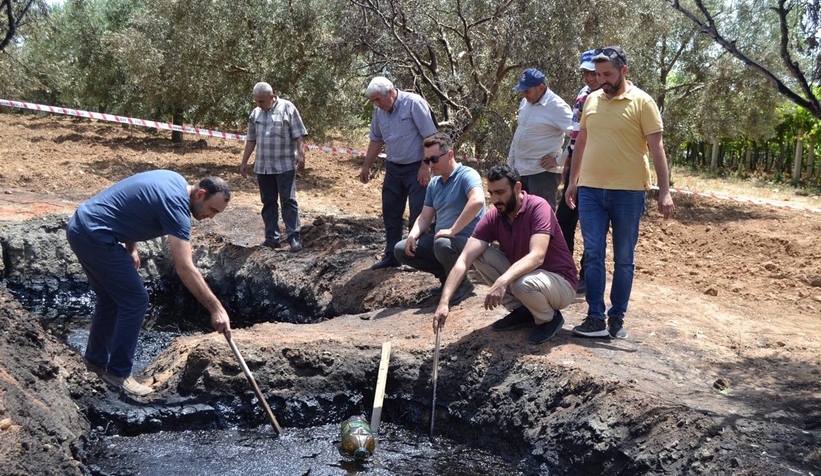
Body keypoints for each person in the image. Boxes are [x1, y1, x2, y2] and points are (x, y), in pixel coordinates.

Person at [66, 170, 233, 396]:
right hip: (96, 236)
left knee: (110, 299)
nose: (211, 217)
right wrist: (216, 309)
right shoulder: (177, 208)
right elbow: (184, 267)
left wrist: (131, 248)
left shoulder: (173, 179)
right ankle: (118, 373)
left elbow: (132, 208)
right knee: (136, 300)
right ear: (200, 194)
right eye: (212, 210)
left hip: (80, 227)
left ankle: (95, 363)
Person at [564, 46, 675, 339]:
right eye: (598, 74)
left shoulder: (643, 102)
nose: (601, 80)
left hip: (628, 193)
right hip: (590, 191)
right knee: (593, 254)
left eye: (607, 74)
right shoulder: (591, 101)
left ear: (624, 71)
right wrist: (573, 181)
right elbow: (582, 143)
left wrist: (664, 192)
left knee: (624, 257)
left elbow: (657, 148)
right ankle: (595, 318)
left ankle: (617, 317)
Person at [433, 165, 578, 345]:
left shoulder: (538, 207)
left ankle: (549, 319)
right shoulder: (494, 216)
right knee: (479, 254)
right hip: (527, 278)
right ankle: (523, 311)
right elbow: (464, 260)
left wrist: (502, 281)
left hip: (560, 283)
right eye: (491, 193)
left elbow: (537, 256)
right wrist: (444, 303)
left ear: (517, 187)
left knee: (521, 284)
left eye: (500, 192)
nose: (495, 199)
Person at [394, 132, 485, 305]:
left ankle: (462, 285)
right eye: (427, 161)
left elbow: (478, 200)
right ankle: (447, 279)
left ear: (450, 154)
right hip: (443, 241)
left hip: (468, 240)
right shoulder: (435, 183)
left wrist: (452, 231)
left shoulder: (467, 174)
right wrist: (412, 235)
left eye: (434, 159)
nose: (430, 165)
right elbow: (425, 216)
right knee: (400, 249)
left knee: (442, 243)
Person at [360, 76, 438, 270]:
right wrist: (366, 165)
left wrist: (425, 166)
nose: (377, 105)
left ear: (391, 92)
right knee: (391, 212)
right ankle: (392, 255)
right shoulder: (379, 112)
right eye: (373, 101)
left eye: (378, 99)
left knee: (418, 213)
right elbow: (376, 140)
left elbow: (430, 137)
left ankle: (416, 256)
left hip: (416, 167)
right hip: (394, 167)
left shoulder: (413, 103)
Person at [240, 82, 308, 252]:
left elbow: (299, 134)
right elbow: (251, 139)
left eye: (262, 101)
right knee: (268, 202)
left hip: (285, 165)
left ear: (272, 96)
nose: (259, 105)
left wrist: (301, 154)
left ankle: (294, 237)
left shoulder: (288, 108)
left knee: (288, 201)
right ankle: (272, 238)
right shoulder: (255, 114)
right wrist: (244, 162)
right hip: (263, 167)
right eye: (256, 101)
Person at [555, 49, 601, 295]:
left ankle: (587, 275)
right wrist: (569, 162)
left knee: (593, 225)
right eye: (585, 73)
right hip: (577, 164)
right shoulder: (583, 96)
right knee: (564, 219)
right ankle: (564, 269)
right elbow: (575, 134)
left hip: (599, 167)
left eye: (592, 73)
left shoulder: (608, 96)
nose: (589, 78)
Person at [508, 68, 573, 211]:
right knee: (520, 217)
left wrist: (559, 160)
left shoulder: (557, 106)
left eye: (527, 91)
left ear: (541, 88)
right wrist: (510, 164)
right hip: (521, 171)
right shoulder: (525, 103)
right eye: (522, 91)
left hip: (543, 174)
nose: (524, 95)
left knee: (541, 218)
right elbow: (518, 134)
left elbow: (577, 134)